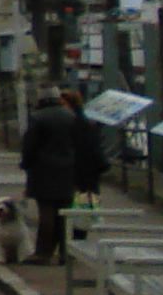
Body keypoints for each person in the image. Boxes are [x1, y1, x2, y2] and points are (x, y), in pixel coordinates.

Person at [15, 86, 101, 266]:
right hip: (68, 170)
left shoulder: (39, 118)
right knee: (64, 212)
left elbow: (30, 146)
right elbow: (80, 144)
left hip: (43, 170)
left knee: (46, 211)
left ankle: (43, 252)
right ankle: (65, 251)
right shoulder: (71, 117)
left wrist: (26, 164)